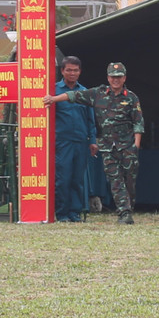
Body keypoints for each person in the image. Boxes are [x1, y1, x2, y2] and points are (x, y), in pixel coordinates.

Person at [45, 62, 145, 225]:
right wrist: (54, 99)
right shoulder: (97, 93)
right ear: (108, 78)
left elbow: (139, 123)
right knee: (115, 179)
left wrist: (136, 145)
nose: (115, 80)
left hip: (127, 147)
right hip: (108, 146)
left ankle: (128, 207)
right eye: (112, 77)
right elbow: (73, 96)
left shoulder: (131, 97)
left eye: (119, 77)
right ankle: (124, 212)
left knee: (129, 181)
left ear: (124, 78)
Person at [52, 56, 95, 223]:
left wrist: (93, 141)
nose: (72, 73)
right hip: (62, 142)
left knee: (78, 179)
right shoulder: (54, 91)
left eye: (75, 70)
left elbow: (91, 119)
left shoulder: (85, 92)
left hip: (81, 142)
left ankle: (74, 213)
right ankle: (62, 213)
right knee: (63, 179)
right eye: (69, 70)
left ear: (80, 72)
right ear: (62, 71)